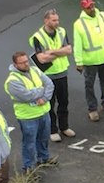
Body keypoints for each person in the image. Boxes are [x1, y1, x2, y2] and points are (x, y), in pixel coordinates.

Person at [4, 51, 55, 175]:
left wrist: (44, 98)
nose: (26, 64)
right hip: (27, 116)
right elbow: (26, 96)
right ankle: (29, 167)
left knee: (43, 138)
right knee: (29, 143)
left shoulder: (35, 70)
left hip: (43, 111)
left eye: (26, 61)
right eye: (22, 63)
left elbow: (50, 84)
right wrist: (41, 89)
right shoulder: (13, 80)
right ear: (15, 65)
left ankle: (43, 158)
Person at [30, 9, 75, 142]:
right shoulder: (38, 37)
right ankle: (53, 130)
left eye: (57, 20)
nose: (57, 23)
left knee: (64, 102)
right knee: (50, 104)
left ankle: (64, 127)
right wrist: (60, 52)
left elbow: (69, 50)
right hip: (47, 76)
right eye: (54, 20)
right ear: (46, 21)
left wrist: (52, 52)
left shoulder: (61, 32)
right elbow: (41, 59)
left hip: (62, 73)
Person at [73, 0, 104, 122]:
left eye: (92, 6)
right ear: (83, 9)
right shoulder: (79, 24)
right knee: (89, 85)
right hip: (90, 61)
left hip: (103, 57)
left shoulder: (103, 16)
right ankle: (92, 109)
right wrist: (79, 62)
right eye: (88, 7)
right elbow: (78, 44)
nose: (91, 9)